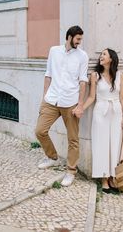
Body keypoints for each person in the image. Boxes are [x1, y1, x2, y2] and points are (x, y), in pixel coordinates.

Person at [35, 25, 89, 187]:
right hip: (51, 99)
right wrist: (44, 98)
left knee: (73, 139)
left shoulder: (82, 56)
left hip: (70, 102)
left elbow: (83, 81)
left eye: (81, 39)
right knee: (40, 131)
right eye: (78, 39)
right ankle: (52, 157)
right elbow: (48, 74)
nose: (79, 42)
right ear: (70, 37)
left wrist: (80, 105)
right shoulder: (54, 51)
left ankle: (71, 171)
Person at [82, 48, 123, 193]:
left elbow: (122, 98)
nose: (101, 56)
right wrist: (81, 108)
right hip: (100, 112)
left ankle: (114, 176)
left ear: (111, 59)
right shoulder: (95, 75)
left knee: (114, 144)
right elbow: (91, 97)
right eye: (101, 54)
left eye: (104, 54)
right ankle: (104, 178)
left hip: (116, 112)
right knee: (101, 144)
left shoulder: (120, 76)